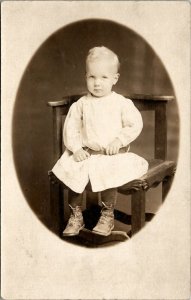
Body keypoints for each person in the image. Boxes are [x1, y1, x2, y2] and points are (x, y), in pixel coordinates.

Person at [52, 46, 149, 237]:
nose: (97, 83)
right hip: (86, 154)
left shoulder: (120, 103)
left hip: (110, 155)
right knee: (74, 174)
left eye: (104, 77)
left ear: (115, 79)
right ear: (86, 76)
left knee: (109, 174)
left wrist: (119, 140)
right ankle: (76, 215)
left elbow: (134, 124)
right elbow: (70, 128)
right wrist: (76, 148)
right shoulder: (81, 104)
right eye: (92, 77)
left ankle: (107, 214)